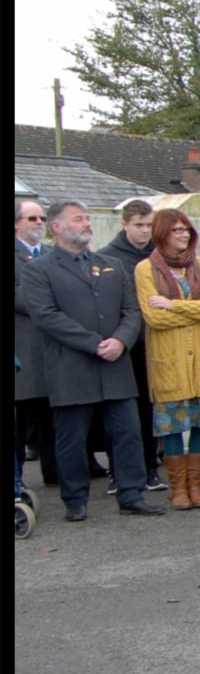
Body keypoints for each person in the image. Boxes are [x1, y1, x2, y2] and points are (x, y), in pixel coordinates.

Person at [17, 201, 165, 521]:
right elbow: (45, 316)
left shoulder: (110, 264)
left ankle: (131, 493)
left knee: (127, 432)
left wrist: (121, 341)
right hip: (71, 366)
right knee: (72, 438)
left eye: (87, 218)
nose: (86, 224)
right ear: (56, 227)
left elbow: (131, 311)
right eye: (78, 219)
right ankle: (75, 499)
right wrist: (93, 343)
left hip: (115, 364)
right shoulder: (38, 270)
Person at [134, 206, 200, 510]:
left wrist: (173, 306)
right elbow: (154, 317)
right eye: (177, 229)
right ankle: (178, 489)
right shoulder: (145, 269)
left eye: (186, 229)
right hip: (170, 360)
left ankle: (196, 485)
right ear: (162, 233)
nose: (184, 234)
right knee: (173, 425)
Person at [99, 199, 169, 491]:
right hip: (125, 345)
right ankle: (120, 471)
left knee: (149, 410)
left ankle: (150, 468)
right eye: (138, 225)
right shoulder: (107, 258)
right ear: (124, 225)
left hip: (155, 343)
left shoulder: (161, 256)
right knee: (120, 415)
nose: (144, 231)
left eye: (148, 226)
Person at [14, 197, 59, 489]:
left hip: (52, 349)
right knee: (21, 420)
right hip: (23, 350)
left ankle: (55, 473)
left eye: (42, 218)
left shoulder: (52, 254)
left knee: (52, 417)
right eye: (32, 218)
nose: (39, 223)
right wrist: (52, 302)